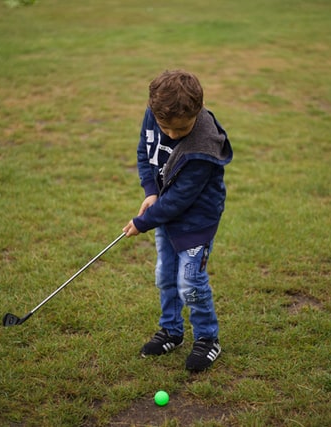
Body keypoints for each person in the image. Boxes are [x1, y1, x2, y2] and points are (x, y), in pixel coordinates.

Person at [123, 70, 233, 372]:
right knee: (166, 276)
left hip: (196, 222)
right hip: (167, 216)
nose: (171, 135)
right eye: (165, 128)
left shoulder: (202, 147)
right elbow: (145, 153)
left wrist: (144, 221)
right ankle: (171, 330)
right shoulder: (155, 115)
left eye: (180, 129)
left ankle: (208, 339)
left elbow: (180, 199)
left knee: (191, 283)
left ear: (196, 113)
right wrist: (150, 190)